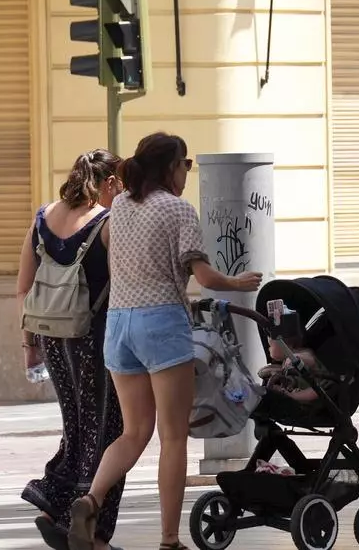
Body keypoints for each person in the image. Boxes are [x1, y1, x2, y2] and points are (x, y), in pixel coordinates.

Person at [67, 133, 263, 550]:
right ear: (170, 168)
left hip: (118, 326)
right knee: (172, 438)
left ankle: (89, 499)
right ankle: (170, 540)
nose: (187, 172)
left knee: (134, 432)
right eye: (185, 164)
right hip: (161, 324)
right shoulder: (178, 210)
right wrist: (238, 282)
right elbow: (207, 278)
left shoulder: (119, 205)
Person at [19, 149, 125, 550]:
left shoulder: (43, 216)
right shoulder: (108, 222)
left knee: (76, 428)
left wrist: (29, 344)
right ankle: (94, 533)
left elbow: (23, 287)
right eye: (122, 185)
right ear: (110, 182)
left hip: (50, 337)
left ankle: (52, 508)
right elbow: (124, 284)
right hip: (94, 339)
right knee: (109, 432)